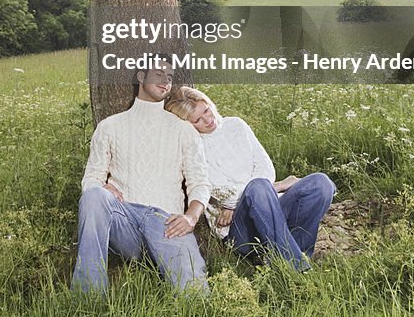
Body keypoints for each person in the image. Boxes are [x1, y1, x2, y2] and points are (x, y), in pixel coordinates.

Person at [71, 58, 211, 295]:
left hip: (165, 224)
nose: (166, 80)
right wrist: (101, 187)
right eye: (159, 73)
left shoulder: (182, 129)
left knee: (195, 293)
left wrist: (191, 217)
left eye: (170, 76)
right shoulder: (109, 126)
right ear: (141, 76)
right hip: (125, 223)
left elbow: (200, 181)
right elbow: (91, 178)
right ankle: (89, 298)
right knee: (94, 196)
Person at [165, 87, 335, 272]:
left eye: (206, 110)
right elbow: (224, 194)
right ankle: (296, 270)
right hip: (239, 231)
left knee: (321, 183)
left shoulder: (236, 125)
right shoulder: (193, 147)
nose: (208, 119)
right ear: (187, 125)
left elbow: (266, 168)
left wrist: (252, 194)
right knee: (258, 188)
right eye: (197, 120)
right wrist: (278, 186)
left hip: (271, 208)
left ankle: (290, 255)